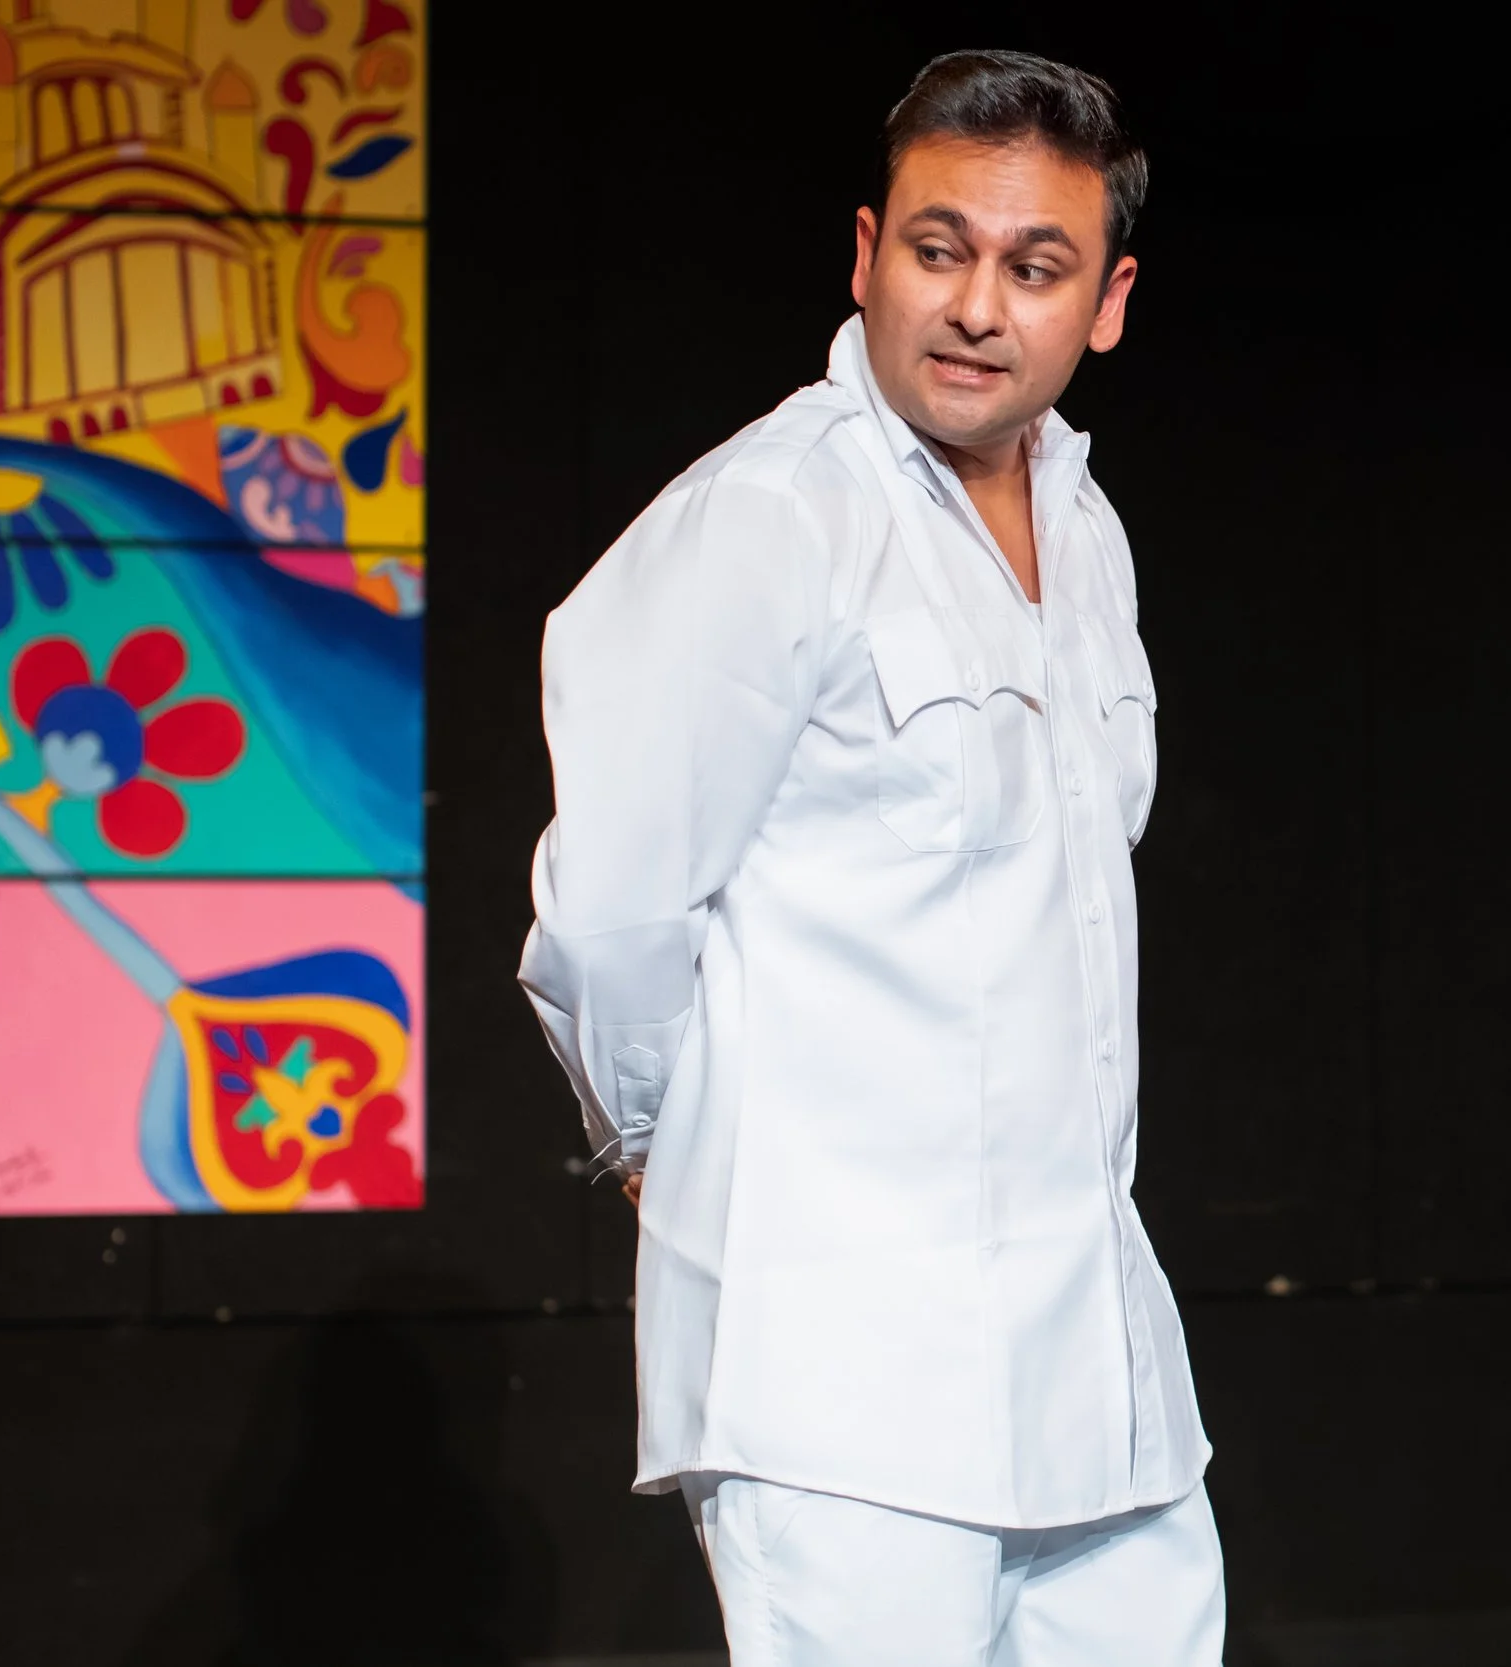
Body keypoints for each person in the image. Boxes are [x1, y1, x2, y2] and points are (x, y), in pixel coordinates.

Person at [516, 50, 1223, 1667]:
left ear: (1108, 303)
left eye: (1034, 267)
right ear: (866, 254)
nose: (975, 306)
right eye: (937, 249)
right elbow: (611, 910)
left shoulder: (1087, 527)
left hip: (1096, 1367)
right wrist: (663, 1147)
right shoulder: (770, 515)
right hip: (846, 1379)